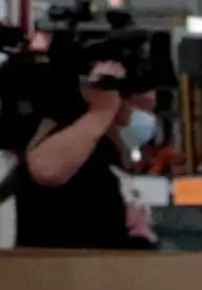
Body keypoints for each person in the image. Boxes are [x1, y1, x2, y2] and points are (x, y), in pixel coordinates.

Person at [5, 49, 155, 248]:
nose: (146, 104)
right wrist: (101, 112)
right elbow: (45, 170)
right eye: (127, 97)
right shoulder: (74, 147)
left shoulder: (109, 153)